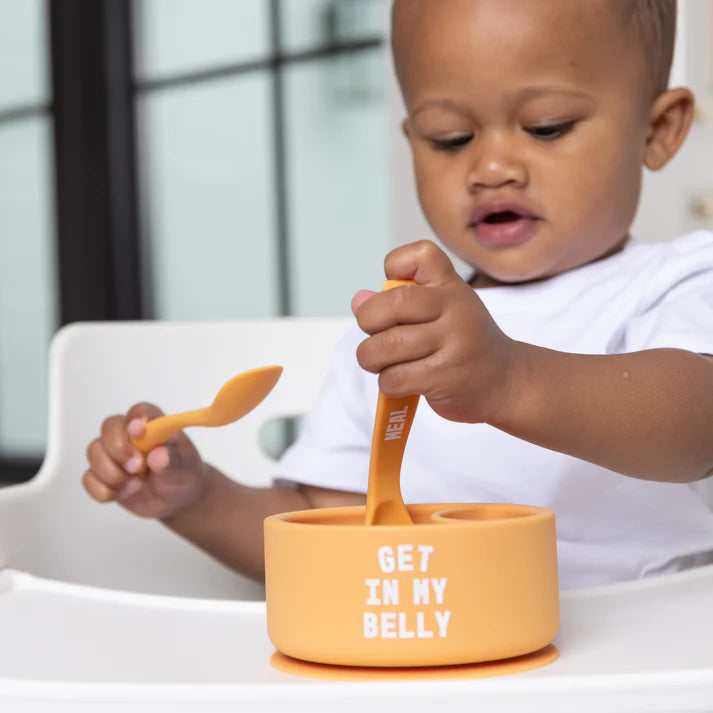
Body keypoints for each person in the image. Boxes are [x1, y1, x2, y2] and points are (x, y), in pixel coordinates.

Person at [84, 0, 713, 590]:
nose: (492, 167)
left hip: (638, 662)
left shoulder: (677, 280)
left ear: (658, 130)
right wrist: (198, 499)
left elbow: (696, 425)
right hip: (444, 658)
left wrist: (510, 379)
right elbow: (324, 532)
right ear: (413, 143)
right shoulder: (399, 336)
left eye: (546, 128)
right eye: (450, 138)